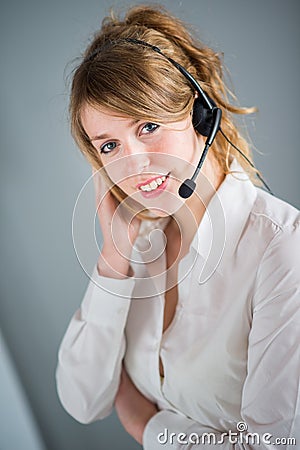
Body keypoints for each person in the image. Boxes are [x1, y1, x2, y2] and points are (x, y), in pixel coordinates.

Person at [56, 5, 300, 449]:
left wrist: (143, 424)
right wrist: (113, 260)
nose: (131, 162)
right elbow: (83, 400)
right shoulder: (140, 248)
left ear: (200, 114)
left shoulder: (282, 247)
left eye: (147, 126)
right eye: (110, 145)